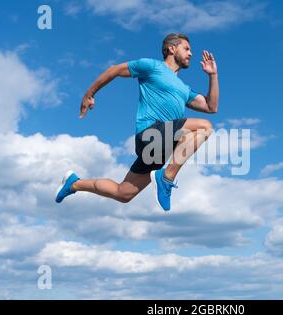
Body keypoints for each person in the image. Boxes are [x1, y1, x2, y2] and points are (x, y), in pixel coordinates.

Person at [55, 33, 219, 211]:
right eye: (186, 49)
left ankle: (74, 184)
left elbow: (211, 107)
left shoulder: (185, 90)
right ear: (172, 49)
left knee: (123, 193)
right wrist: (89, 94)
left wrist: (213, 75)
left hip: (159, 150)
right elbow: (114, 70)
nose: (191, 54)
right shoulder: (152, 66)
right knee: (204, 127)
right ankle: (166, 179)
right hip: (150, 133)